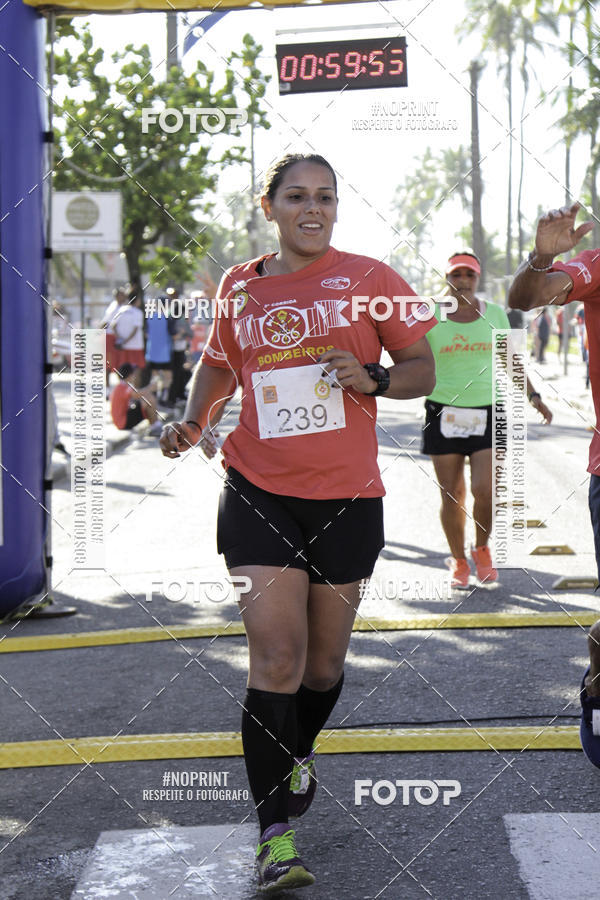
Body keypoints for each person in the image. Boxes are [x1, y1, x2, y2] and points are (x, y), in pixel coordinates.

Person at [160, 152, 436, 895]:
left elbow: (422, 368)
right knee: (277, 660)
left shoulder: (372, 279)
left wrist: (375, 376)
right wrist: (194, 421)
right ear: (269, 206)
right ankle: (274, 837)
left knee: (321, 668)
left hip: (348, 497)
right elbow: (219, 365)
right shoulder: (240, 286)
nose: (312, 208)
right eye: (296, 196)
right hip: (258, 487)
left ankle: (298, 750)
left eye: (325, 197)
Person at [423, 251, 552, 589]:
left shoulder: (494, 314)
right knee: (451, 494)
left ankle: (481, 549)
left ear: (477, 278)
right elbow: (411, 355)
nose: (463, 281)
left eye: (469, 274)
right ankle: (458, 561)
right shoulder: (429, 314)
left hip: (488, 409)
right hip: (443, 410)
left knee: (486, 489)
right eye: (457, 274)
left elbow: (510, 359)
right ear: (447, 278)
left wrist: (533, 395)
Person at [110, 363, 162, 435]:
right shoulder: (122, 387)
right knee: (149, 399)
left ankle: (155, 425)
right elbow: (136, 394)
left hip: (124, 419)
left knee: (148, 398)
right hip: (123, 422)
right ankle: (155, 425)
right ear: (130, 375)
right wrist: (150, 388)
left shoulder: (122, 385)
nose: (135, 376)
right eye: (134, 374)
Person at [112, 290, 146, 373]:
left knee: (123, 369)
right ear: (136, 300)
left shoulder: (121, 310)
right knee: (136, 369)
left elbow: (113, 326)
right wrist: (126, 340)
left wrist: (120, 339)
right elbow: (135, 329)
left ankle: (124, 382)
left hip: (123, 347)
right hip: (136, 346)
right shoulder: (138, 312)